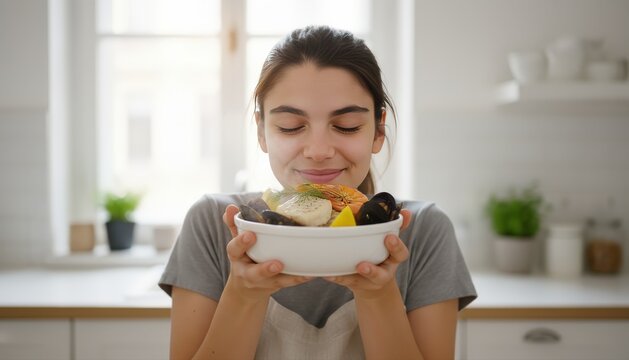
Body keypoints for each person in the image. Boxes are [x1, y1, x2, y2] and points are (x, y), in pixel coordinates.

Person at [159, 25, 476, 360]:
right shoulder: (215, 224)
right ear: (262, 132)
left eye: (347, 126)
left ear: (378, 130)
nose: (319, 150)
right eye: (291, 127)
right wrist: (245, 293)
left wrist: (378, 295)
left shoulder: (423, 230)